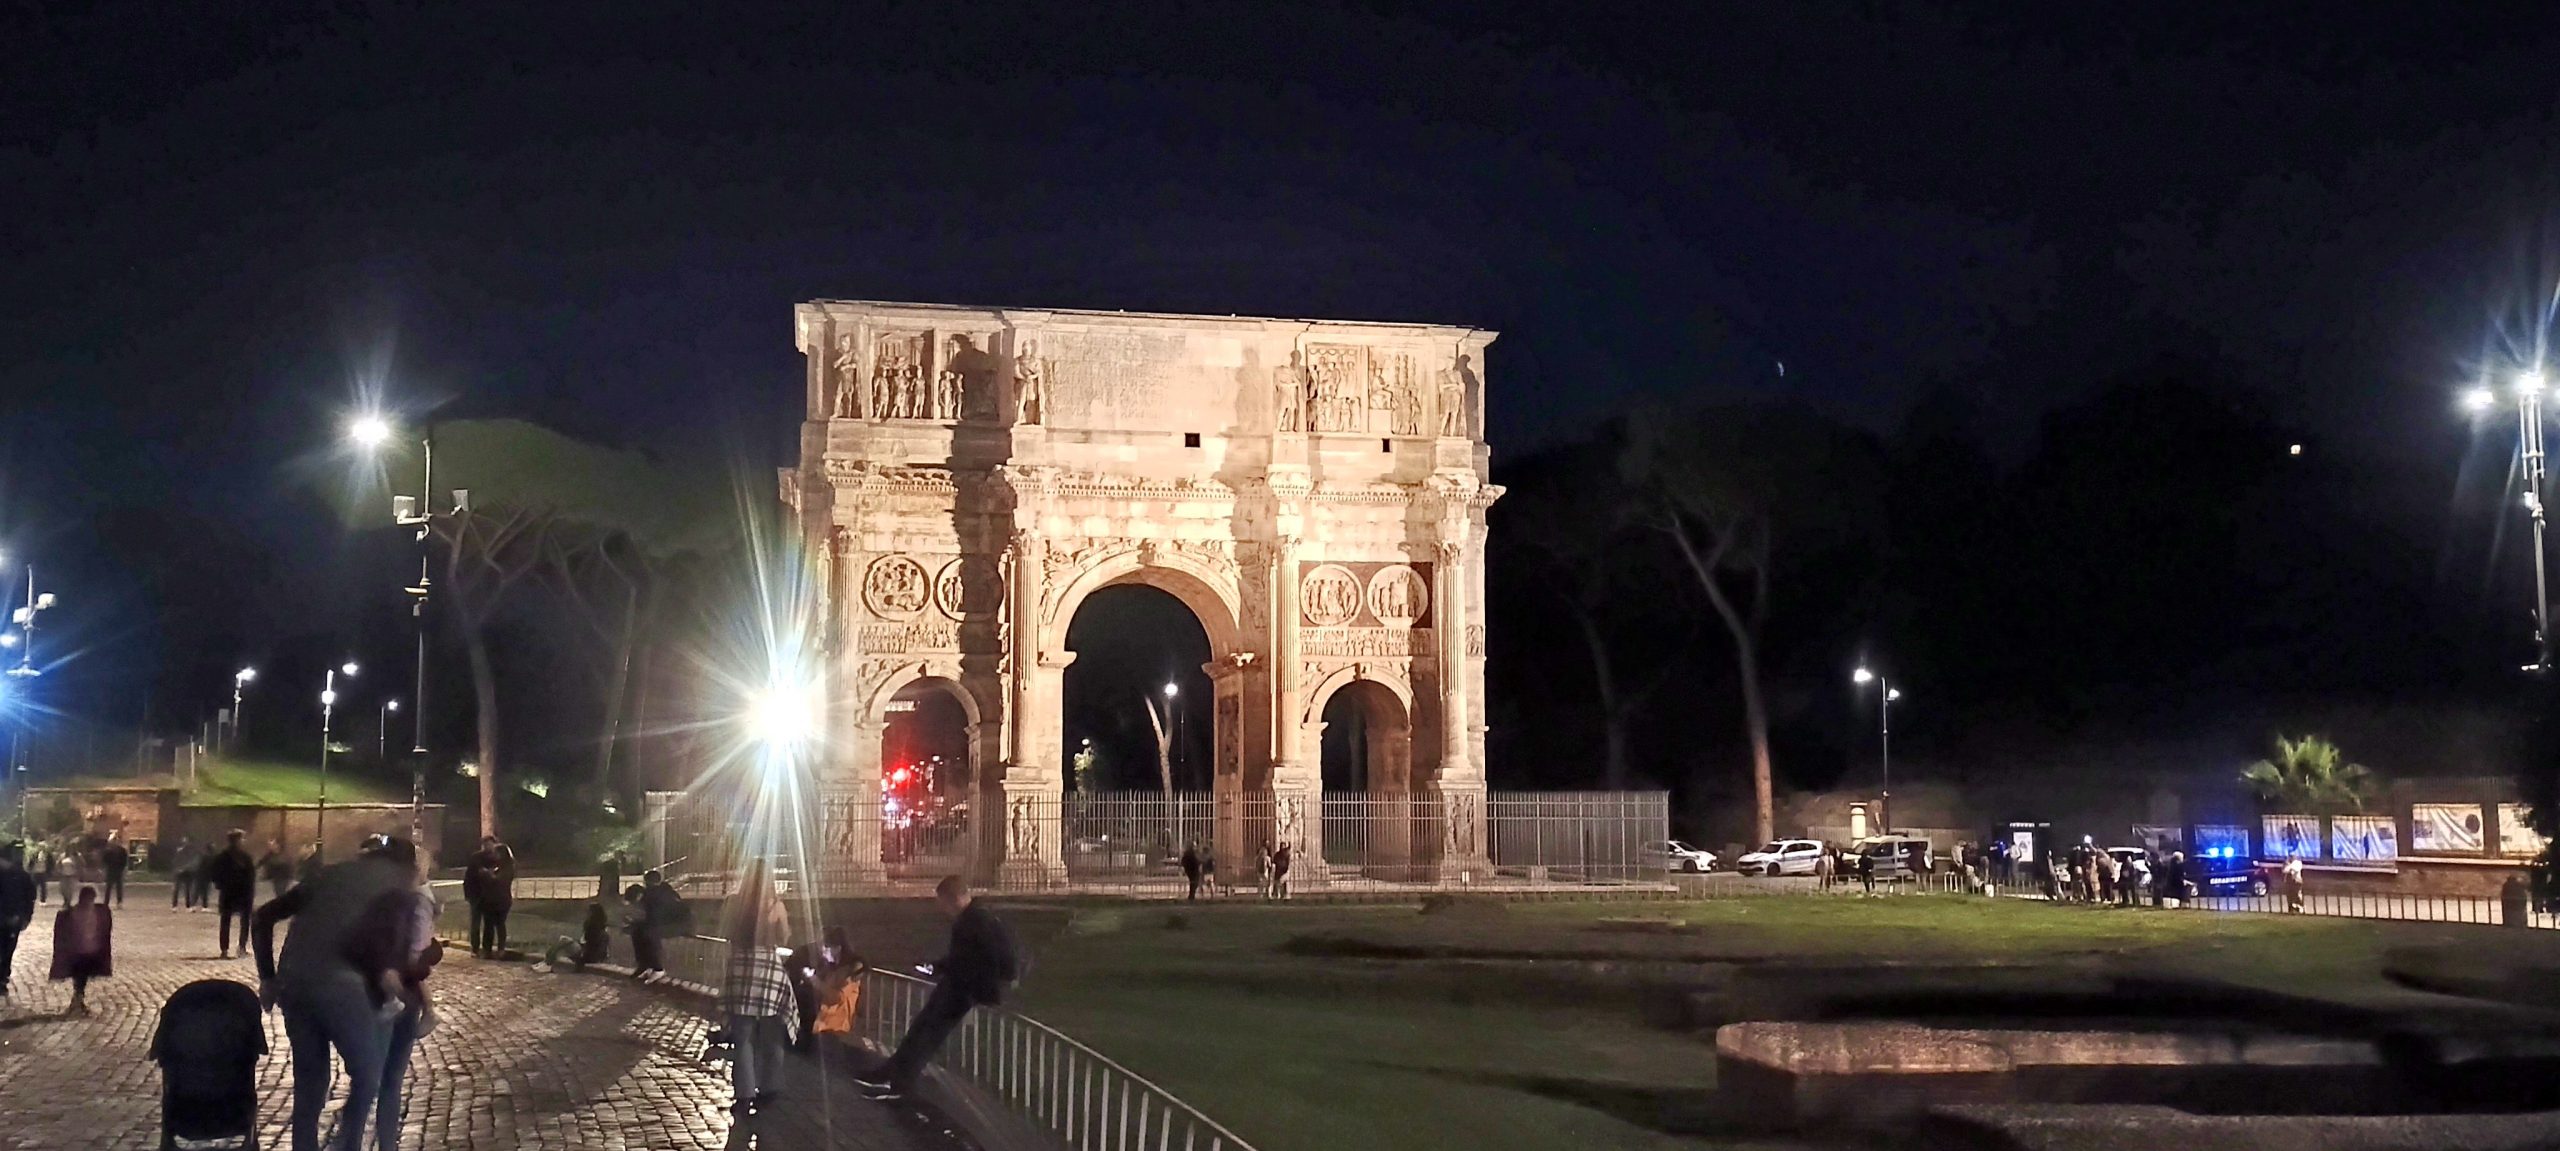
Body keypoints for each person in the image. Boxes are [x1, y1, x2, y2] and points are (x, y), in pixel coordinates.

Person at [254, 834, 414, 1151]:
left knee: (310, 1083)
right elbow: (390, 950)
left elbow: (262, 917)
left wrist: (267, 977)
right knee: (368, 1074)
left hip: (294, 981)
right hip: (344, 986)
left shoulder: (326, 875)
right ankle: (346, 1143)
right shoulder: (399, 887)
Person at [857, 876, 1019, 1100]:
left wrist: (984, 989)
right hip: (961, 984)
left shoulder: (973, 921)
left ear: (953, 898)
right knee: (921, 1030)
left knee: (926, 1035)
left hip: (965, 988)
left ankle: (899, 1083)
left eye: (942, 902)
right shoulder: (977, 918)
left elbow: (981, 959)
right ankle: (890, 1075)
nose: (940, 908)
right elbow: (971, 958)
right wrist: (937, 968)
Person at [356, 837, 441, 1151]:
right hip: (400, 991)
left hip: (388, 994)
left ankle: (369, 1142)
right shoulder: (408, 896)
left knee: (374, 1080)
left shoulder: (381, 898)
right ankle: (383, 1143)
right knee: (385, 1080)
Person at [718, 861, 796, 1113]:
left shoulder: (733, 902)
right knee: (772, 1033)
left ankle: (744, 1095)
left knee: (743, 1037)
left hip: (740, 968)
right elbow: (783, 937)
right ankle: (771, 1088)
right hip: (769, 969)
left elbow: (727, 932)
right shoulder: (776, 905)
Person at [50, 884, 113, 1015]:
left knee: (81, 977)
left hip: (88, 951)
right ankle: (78, 999)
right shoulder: (73, 914)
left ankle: (78, 998)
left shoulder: (98, 913)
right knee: (80, 976)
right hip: (79, 951)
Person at [208, 829, 260, 959]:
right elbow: (251, 876)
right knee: (243, 921)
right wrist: (250, 891)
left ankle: (225, 949)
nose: (244, 841)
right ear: (237, 840)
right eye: (242, 839)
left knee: (226, 921)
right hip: (241, 893)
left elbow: (214, 874)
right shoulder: (245, 857)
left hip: (229, 893)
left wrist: (221, 885)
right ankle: (240, 948)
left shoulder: (222, 857)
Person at [466, 836, 517, 958]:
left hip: (500, 900)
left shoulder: (506, 866)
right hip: (486, 898)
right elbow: (469, 878)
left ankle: (498, 950)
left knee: (498, 924)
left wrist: (486, 874)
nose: (493, 853)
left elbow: (499, 880)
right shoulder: (478, 858)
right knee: (485, 924)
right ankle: (484, 949)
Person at [0, 846, 35, 998]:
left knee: (6, 948)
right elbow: (30, 897)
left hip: (9, 918)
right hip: (13, 918)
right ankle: (2, 978)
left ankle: (2, 977)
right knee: (7, 949)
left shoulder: (20, 875)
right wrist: (26, 916)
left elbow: (29, 896)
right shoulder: (21, 874)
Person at [101, 833, 129, 908]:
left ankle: (109, 902)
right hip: (115, 870)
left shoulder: (110, 850)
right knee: (114, 887)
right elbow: (124, 861)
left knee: (112, 887)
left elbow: (104, 860)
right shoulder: (120, 850)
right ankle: (115, 902)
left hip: (114, 870)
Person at [167, 837, 193, 910]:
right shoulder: (181, 852)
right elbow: (175, 861)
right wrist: (179, 869)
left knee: (186, 890)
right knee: (178, 889)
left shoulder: (188, 852)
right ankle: (175, 905)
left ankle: (186, 906)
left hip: (185, 872)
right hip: (179, 872)